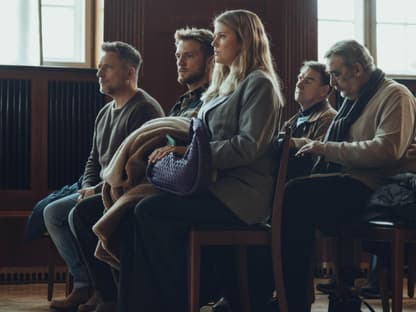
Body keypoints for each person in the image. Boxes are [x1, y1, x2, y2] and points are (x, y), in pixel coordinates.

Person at [116, 9, 283, 312]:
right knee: (131, 210)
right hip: (213, 185)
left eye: (222, 36)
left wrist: (190, 153)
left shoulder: (260, 84)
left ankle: (175, 302)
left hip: (240, 195)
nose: (215, 43)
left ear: (244, 40)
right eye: (216, 35)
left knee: (151, 212)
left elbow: (248, 147)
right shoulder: (226, 83)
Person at [69, 27, 214, 312]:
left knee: (118, 211)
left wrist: (175, 149)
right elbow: (151, 144)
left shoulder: (211, 100)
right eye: (178, 55)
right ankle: (115, 296)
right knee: (82, 210)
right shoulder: (182, 102)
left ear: (210, 61)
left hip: (188, 186)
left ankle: (127, 300)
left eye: (189, 56)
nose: (180, 62)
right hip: (157, 180)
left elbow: (200, 145)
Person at [280, 39, 416, 311]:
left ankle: (292, 301)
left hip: (379, 188)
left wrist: (325, 149)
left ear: (357, 69)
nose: (334, 82)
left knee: (293, 195)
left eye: (336, 74)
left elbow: (387, 150)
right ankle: (289, 296)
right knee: (281, 192)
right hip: (356, 181)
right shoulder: (354, 100)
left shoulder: (395, 95)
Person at [43, 41, 165, 311]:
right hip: (99, 187)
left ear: (129, 72)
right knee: (52, 213)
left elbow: (137, 167)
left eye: (106, 68)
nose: (99, 74)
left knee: (78, 214)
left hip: (126, 191)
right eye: (99, 69)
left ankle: (106, 293)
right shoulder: (104, 112)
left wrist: (97, 189)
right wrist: (88, 185)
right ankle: (85, 286)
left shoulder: (145, 109)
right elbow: (93, 160)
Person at [284, 60, 336, 180]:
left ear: (324, 90)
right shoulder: (292, 121)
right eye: (299, 78)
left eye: (307, 81)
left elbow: (319, 164)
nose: (298, 84)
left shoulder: (329, 119)